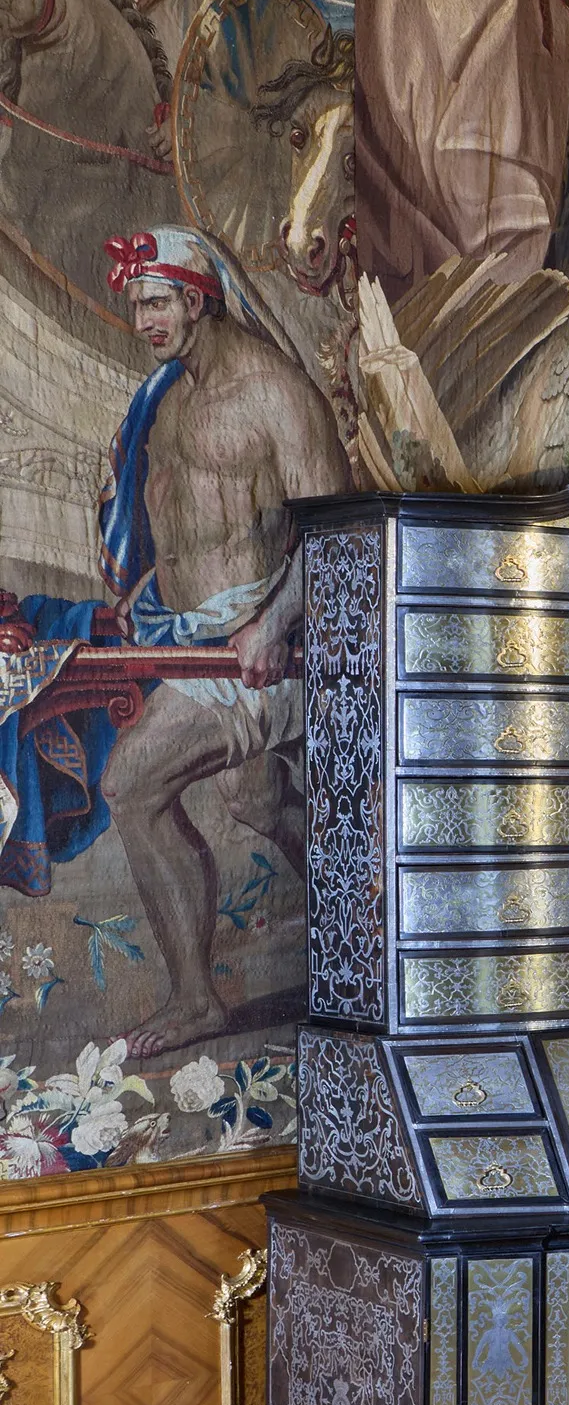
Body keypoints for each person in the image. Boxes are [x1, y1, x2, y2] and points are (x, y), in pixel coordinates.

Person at [98, 225, 351, 1057]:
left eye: (157, 303)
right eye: (137, 304)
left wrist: (275, 624)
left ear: (197, 298)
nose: (144, 320)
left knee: (130, 785)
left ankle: (194, 999)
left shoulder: (274, 392)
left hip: (265, 651)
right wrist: (144, 594)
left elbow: (339, 534)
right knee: (256, 803)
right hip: (192, 642)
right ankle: (364, 926)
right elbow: (182, 528)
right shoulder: (168, 398)